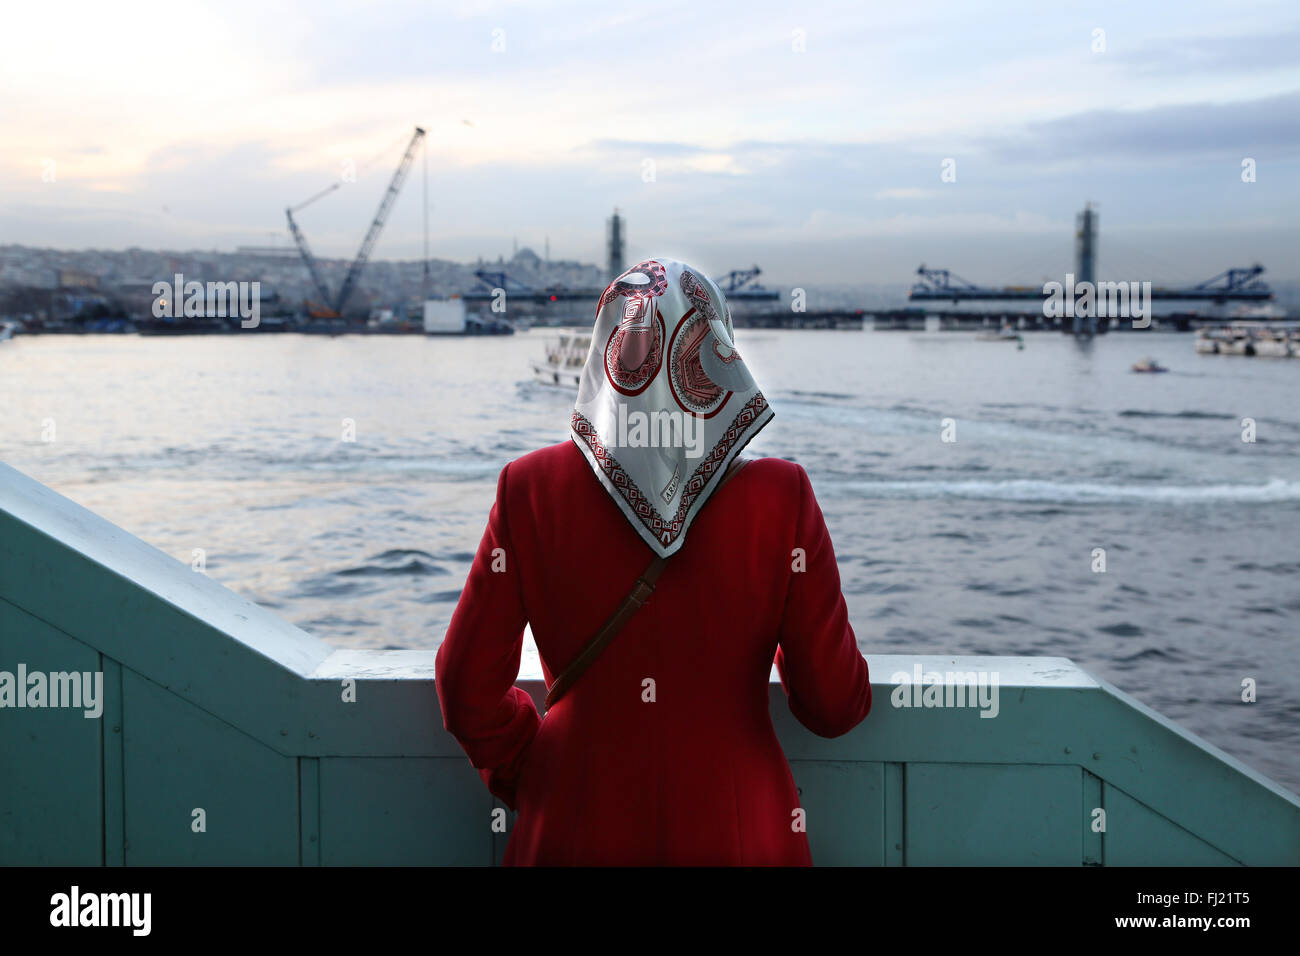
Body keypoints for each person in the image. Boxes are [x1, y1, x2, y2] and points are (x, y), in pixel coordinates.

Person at [435, 257, 872, 865]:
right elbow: (832, 704)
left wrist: (528, 767)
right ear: (718, 351)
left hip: (570, 817)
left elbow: (465, 691)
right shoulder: (781, 496)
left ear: (608, 349)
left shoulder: (530, 487)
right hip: (741, 828)